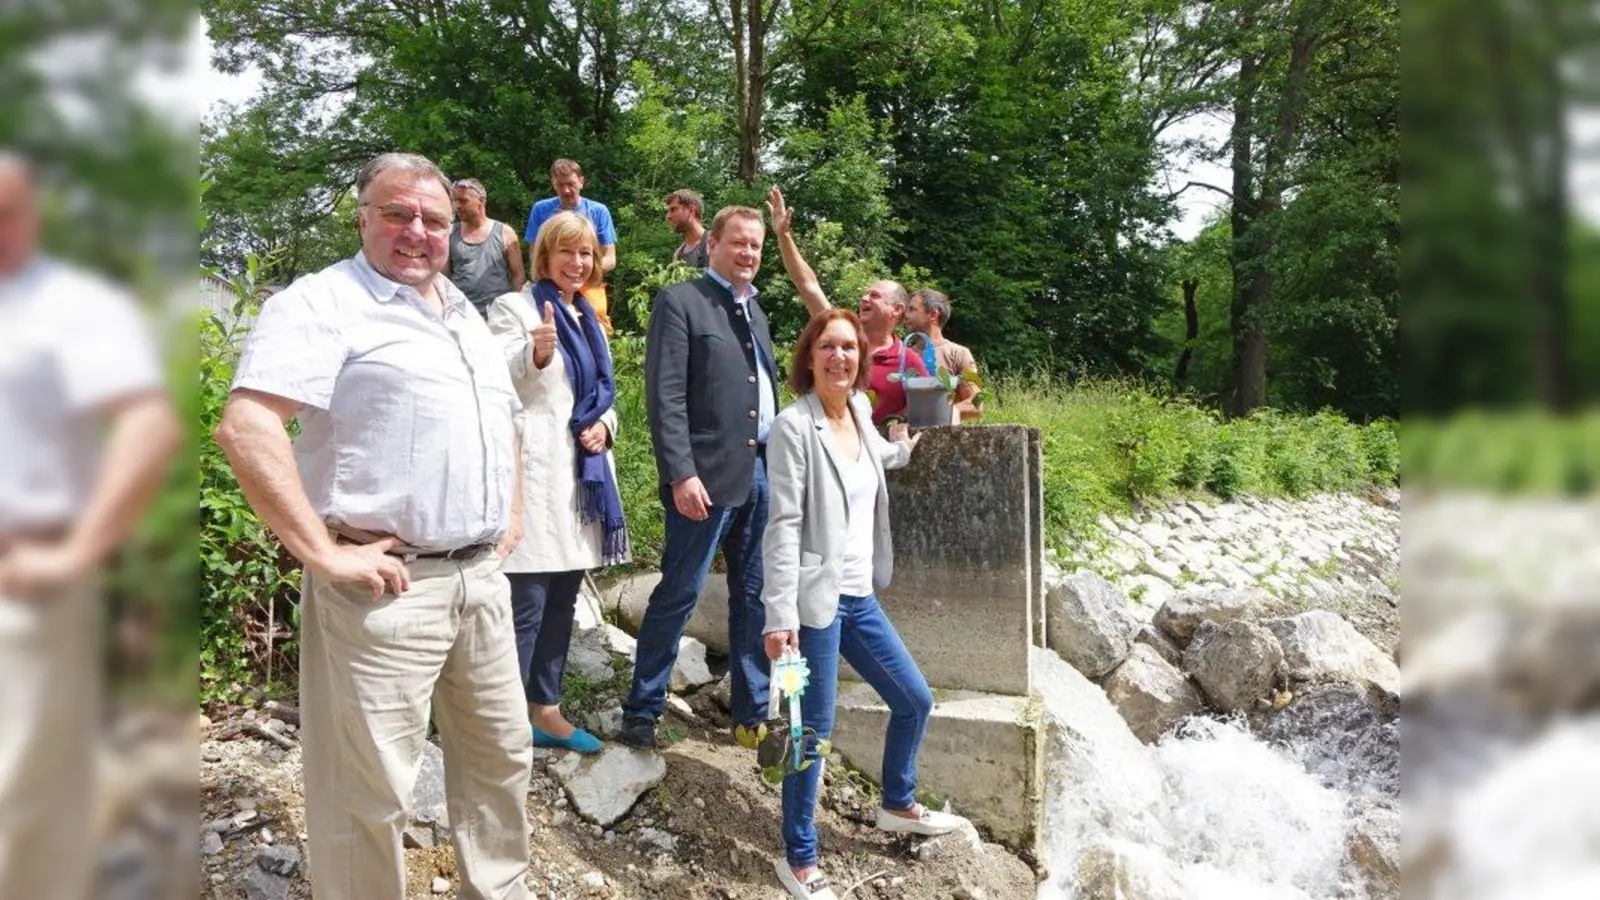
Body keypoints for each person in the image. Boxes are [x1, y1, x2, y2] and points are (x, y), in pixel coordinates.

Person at [214, 152, 533, 900]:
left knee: (500, 764)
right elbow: (248, 427)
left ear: (455, 228)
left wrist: (511, 511)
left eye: (434, 219)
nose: (417, 231)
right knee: (368, 792)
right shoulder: (324, 303)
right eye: (398, 214)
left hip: (479, 581)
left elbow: (507, 421)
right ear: (363, 219)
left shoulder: (463, 311)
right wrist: (322, 554)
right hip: (383, 590)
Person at [0, 150, 183, 899]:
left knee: (23, 796)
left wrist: (78, 551)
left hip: (24, 578)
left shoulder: (71, 305)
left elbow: (147, 424)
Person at [761, 308, 968, 900]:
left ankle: (897, 804)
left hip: (859, 596)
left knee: (914, 699)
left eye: (849, 347)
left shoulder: (856, 409)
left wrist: (904, 447)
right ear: (809, 358)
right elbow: (782, 525)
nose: (839, 357)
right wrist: (779, 615)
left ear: (861, 359)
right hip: (813, 603)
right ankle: (799, 859)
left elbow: (874, 458)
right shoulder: (793, 428)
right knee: (810, 730)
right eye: (827, 346)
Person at [618, 205, 777, 750]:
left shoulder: (757, 314)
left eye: (756, 245)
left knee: (754, 597)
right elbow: (665, 394)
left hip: (760, 475)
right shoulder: (682, 300)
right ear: (713, 244)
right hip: (703, 480)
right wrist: (681, 473)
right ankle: (643, 709)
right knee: (679, 592)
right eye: (739, 242)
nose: (748, 253)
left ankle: (751, 717)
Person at [486, 211, 628, 754]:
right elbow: (495, 380)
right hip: (534, 474)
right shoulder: (514, 308)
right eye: (566, 251)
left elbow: (603, 396)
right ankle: (500, 722)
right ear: (544, 255)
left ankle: (545, 710)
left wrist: (605, 427)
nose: (577, 262)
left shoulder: (590, 318)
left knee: (563, 600)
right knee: (525, 603)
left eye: (586, 252)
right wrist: (536, 353)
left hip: (580, 481)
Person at [765, 185, 927, 426]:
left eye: (874, 296)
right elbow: (807, 284)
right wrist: (783, 236)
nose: (864, 299)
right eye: (865, 294)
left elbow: (925, 415)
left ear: (897, 310)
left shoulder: (909, 362)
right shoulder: (841, 332)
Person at [523, 159, 617, 331]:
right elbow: (534, 254)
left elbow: (610, 258)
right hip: (551, 283)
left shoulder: (598, 211)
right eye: (560, 185)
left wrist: (581, 272)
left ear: (581, 182)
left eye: (571, 184)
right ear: (553, 183)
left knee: (597, 328)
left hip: (588, 284)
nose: (566, 190)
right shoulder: (540, 209)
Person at [446, 177, 525, 317]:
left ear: (481, 201)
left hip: (499, 314)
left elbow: (518, 276)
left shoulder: (505, 232)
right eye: (455, 201)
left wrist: (517, 310)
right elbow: (443, 277)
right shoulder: (450, 233)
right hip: (462, 314)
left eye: (463, 201)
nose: (457, 206)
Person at [904, 288, 982, 421]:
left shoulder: (959, 354)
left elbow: (976, 405)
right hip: (904, 433)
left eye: (912, 309)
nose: (905, 315)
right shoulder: (902, 355)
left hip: (943, 432)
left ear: (933, 315)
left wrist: (938, 412)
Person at [665, 188, 709, 269]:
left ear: (692, 211)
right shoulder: (678, 255)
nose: (668, 216)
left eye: (673, 209)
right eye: (668, 211)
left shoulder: (716, 244)